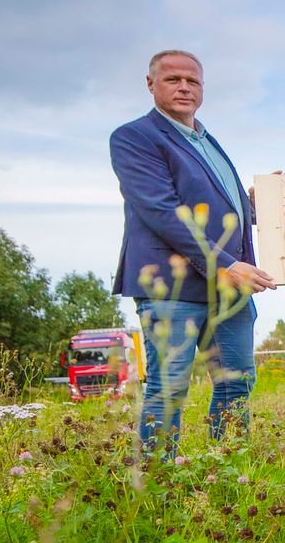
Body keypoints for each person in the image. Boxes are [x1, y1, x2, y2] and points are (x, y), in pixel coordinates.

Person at [110, 49, 274, 455]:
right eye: (172, 79)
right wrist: (229, 265)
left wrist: (261, 203)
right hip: (172, 287)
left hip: (229, 292)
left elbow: (216, 210)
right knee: (169, 388)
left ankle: (227, 471)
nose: (184, 87)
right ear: (151, 85)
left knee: (236, 383)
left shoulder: (206, 140)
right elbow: (162, 210)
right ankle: (157, 483)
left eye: (193, 81)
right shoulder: (135, 137)